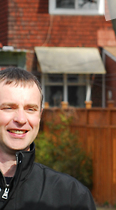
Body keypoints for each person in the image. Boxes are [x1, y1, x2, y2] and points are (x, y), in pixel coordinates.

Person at [0, 67, 96, 209]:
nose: (20, 119)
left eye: (30, 109)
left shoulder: (71, 195)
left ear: (40, 115)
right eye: (9, 107)